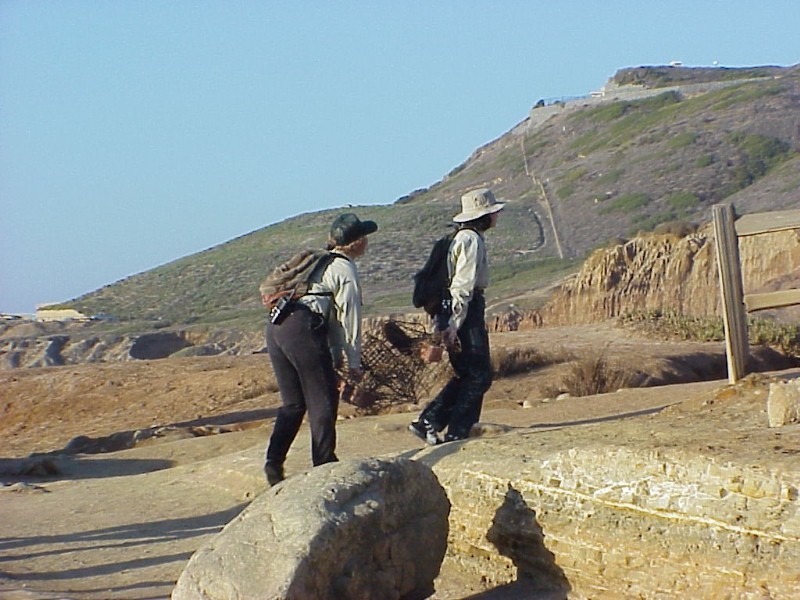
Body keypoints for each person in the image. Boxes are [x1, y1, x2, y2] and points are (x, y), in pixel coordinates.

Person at [262, 212, 377, 486]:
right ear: (357, 242)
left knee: (293, 403)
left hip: (277, 326)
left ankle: (273, 463)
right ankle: (324, 464)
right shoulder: (345, 269)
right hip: (302, 328)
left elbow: (332, 320)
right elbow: (348, 319)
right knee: (323, 398)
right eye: (365, 237)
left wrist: (334, 354)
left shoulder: (318, 263)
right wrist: (354, 362)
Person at [409, 188, 504, 445]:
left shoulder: (457, 238)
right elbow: (463, 285)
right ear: (484, 216)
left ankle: (432, 422)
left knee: (467, 371)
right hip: (465, 307)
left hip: (451, 308)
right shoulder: (470, 240)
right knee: (478, 373)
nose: (498, 216)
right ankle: (455, 430)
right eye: (494, 212)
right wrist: (455, 322)